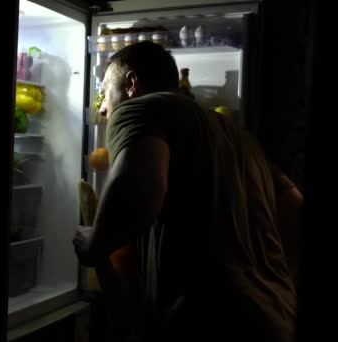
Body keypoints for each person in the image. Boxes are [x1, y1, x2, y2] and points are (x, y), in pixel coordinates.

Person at [73, 42, 297, 342]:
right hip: (276, 314)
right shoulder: (238, 136)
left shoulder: (140, 108)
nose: (102, 107)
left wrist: (95, 243)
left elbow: (141, 190)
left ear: (131, 84)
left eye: (106, 92)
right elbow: (293, 206)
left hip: (206, 321)